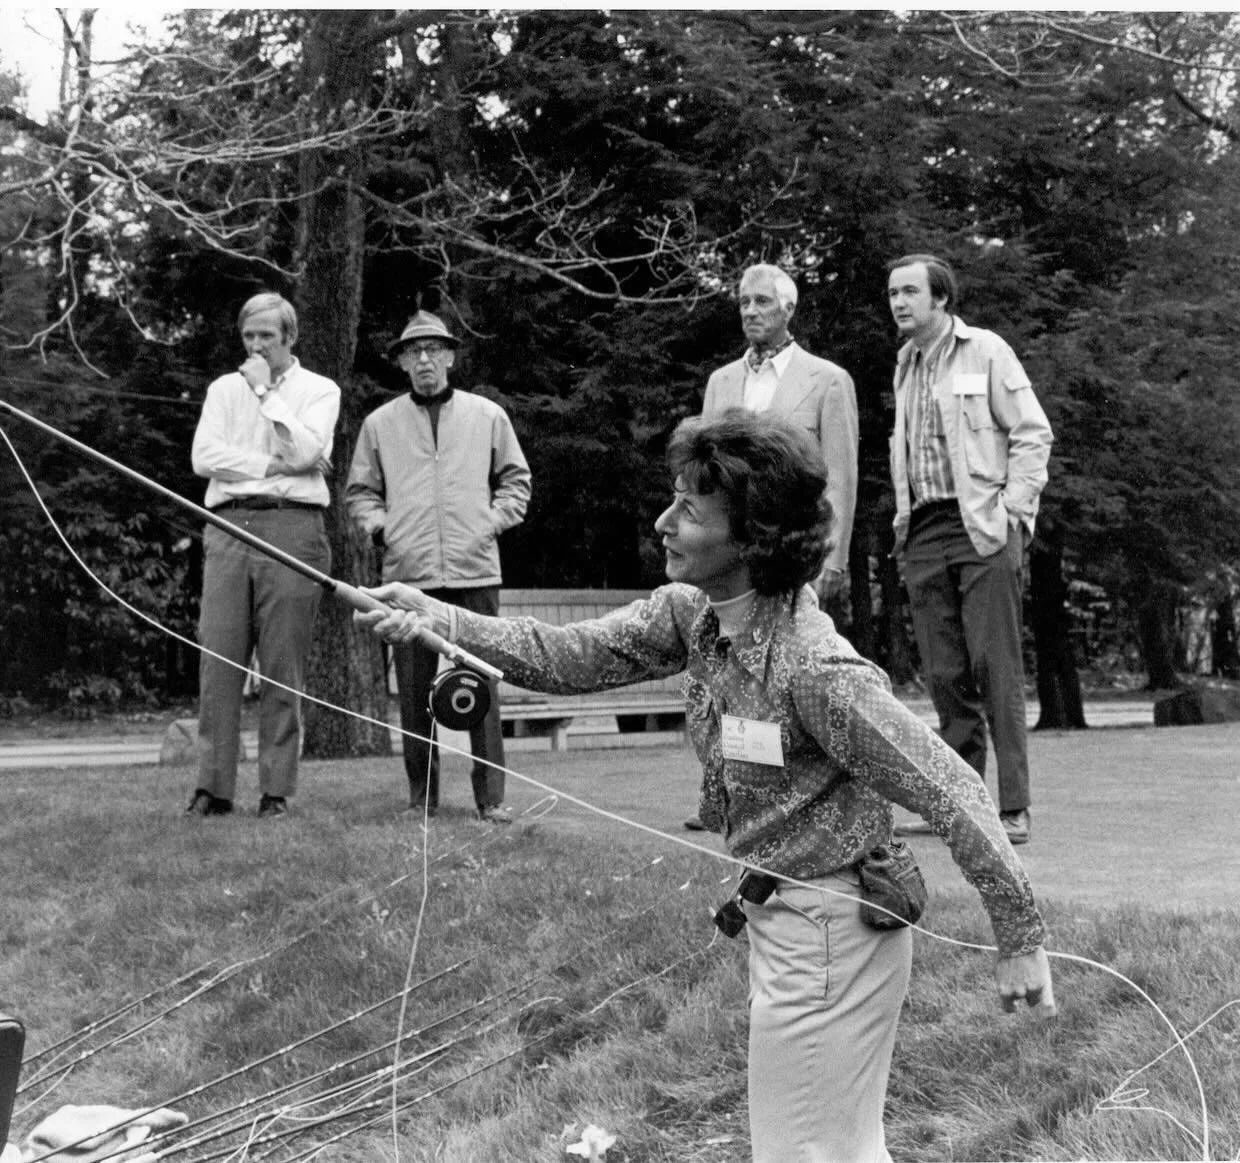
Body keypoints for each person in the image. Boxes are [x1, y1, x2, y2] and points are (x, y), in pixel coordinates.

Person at [355, 410, 1055, 1163]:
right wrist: (434, 614)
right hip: (788, 920)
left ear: (752, 538)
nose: (663, 522)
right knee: (836, 1151)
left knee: (806, 1154)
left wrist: (1020, 938)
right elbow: (563, 654)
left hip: (833, 932)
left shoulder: (816, 669)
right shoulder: (695, 615)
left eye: (689, 509)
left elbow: (955, 789)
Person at [885, 254, 1053, 846]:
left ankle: (1014, 807)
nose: (899, 302)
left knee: (994, 666)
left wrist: (1013, 510)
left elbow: (1032, 432)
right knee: (944, 673)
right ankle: (958, 804)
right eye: (892, 293)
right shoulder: (906, 365)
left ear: (941, 298)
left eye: (909, 292)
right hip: (924, 531)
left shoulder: (985, 351)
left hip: (982, 528)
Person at [688, 262, 859, 831]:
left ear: (789, 309)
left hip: (793, 550)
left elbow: (838, 476)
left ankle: (799, 791)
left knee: (789, 671)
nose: (751, 311)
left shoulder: (826, 379)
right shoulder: (721, 383)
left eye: (762, 301)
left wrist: (832, 556)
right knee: (730, 667)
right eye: (742, 302)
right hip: (734, 552)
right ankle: (728, 789)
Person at [345, 310, 531, 824]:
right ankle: (420, 797)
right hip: (409, 575)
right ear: (403, 362)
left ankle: (491, 799)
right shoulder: (380, 424)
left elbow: (517, 480)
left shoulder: (487, 415)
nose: (425, 359)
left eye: (434, 349)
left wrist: (489, 523)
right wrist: (383, 529)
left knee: (482, 686)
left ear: (450, 355)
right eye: (414, 351)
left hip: (475, 571)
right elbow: (360, 491)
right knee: (412, 691)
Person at [187, 292, 340, 819]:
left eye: (266, 338)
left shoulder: (320, 390)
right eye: (248, 337)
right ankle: (213, 789)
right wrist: (270, 465)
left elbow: (304, 451)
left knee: (281, 665)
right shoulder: (222, 390)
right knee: (220, 661)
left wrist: (265, 394)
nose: (255, 347)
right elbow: (205, 458)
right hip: (229, 526)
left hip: (292, 527)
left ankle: (276, 792)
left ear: (289, 339)